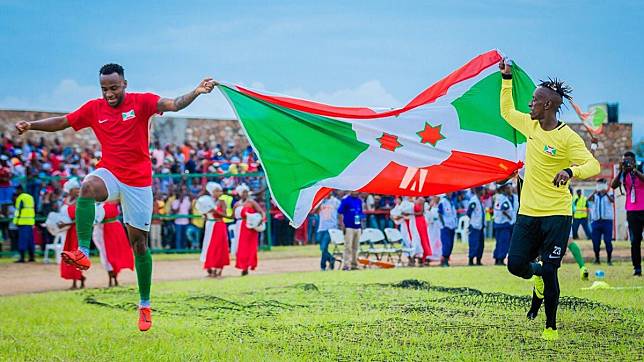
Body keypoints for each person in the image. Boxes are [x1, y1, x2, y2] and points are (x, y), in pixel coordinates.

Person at [15, 63, 216, 331]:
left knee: (140, 245)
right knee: (86, 187)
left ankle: (144, 305)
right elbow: (63, 122)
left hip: (138, 183)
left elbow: (174, 104)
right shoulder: (93, 109)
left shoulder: (141, 102)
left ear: (124, 84)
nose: (109, 93)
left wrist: (196, 91)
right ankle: (84, 252)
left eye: (113, 87)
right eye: (104, 88)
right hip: (110, 173)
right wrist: (31, 125)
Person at [499, 59, 600, 340]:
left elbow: (594, 166)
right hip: (528, 213)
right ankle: (538, 273)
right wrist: (506, 80)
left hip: (556, 214)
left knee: (552, 271)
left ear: (547, 106)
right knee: (516, 265)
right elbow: (506, 111)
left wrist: (570, 170)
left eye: (534, 100)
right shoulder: (530, 127)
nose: (529, 104)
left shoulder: (568, 138)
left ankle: (550, 326)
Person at [611, 151, 644, 276]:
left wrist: (635, 170)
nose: (627, 163)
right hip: (632, 211)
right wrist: (621, 171)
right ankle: (637, 268)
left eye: (629, 161)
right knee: (635, 241)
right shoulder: (624, 174)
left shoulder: (640, 168)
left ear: (634, 161)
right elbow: (613, 186)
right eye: (625, 161)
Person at [93, 201, 134, 287]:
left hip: (113, 230)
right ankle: (112, 278)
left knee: (114, 254)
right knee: (106, 254)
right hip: (104, 230)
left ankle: (114, 278)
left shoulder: (111, 201)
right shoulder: (97, 205)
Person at [58, 179, 85, 289]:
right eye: (75, 189)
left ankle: (77, 279)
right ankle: (77, 278)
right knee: (68, 254)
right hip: (68, 231)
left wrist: (68, 223)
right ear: (69, 191)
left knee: (76, 255)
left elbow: (82, 217)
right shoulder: (66, 201)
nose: (78, 191)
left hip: (77, 231)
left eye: (78, 189)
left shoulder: (81, 201)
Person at [199, 182, 230, 277]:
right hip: (210, 225)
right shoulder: (206, 201)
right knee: (209, 245)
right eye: (216, 191)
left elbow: (223, 213)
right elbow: (203, 212)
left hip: (219, 224)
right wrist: (205, 214)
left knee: (220, 246)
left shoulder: (221, 202)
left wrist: (215, 211)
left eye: (220, 190)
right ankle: (209, 266)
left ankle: (219, 268)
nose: (219, 192)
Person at [234, 184, 265, 276]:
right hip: (240, 227)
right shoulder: (236, 204)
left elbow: (261, 212)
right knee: (241, 247)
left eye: (246, 192)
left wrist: (261, 220)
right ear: (240, 194)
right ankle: (243, 266)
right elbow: (232, 216)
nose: (245, 194)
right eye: (243, 192)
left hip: (250, 227)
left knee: (250, 247)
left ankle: (247, 266)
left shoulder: (251, 202)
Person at [588, 179, 614, 265]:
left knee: (608, 241)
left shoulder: (609, 193)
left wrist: (605, 193)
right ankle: (597, 259)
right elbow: (588, 200)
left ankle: (609, 260)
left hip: (607, 222)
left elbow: (612, 200)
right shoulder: (595, 195)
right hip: (596, 221)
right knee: (595, 241)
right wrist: (594, 192)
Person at [338, 191, 363, 271]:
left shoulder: (359, 200)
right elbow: (340, 212)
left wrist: (361, 226)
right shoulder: (346, 200)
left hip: (357, 226)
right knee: (348, 247)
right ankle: (346, 265)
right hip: (349, 226)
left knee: (356, 247)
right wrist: (342, 225)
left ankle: (354, 264)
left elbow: (360, 213)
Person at [315, 193, 341, 271]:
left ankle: (323, 266)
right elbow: (315, 211)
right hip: (321, 227)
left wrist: (340, 224)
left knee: (323, 247)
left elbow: (340, 213)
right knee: (323, 248)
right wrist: (321, 201)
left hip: (331, 227)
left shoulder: (335, 201)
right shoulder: (321, 201)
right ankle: (331, 259)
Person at [492, 181, 514, 266]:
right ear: (504, 189)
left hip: (498, 223)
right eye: (508, 188)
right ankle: (500, 259)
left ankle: (497, 258)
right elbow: (503, 209)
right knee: (503, 242)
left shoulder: (499, 197)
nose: (510, 189)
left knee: (499, 242)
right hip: (503, 223)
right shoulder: (503, 198)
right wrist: (509, 217)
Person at [13, 185, 35, 263]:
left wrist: (15, 221)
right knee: (30, 240)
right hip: (30, 221)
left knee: (22, 240)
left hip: (22, 222)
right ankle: (31, 257)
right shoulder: (30, 197)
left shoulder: (20, 198)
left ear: (19, 190)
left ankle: (22, 258)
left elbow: (18, 211)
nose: (16, 192)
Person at [467, 187, 485, 266]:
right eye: (482, 190)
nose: (484, 191)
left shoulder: (479, 200)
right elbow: (469, 212)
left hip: (480, 226)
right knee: (474, 243)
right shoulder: (474, 200)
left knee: (481, 244)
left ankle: (478, 260)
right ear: (479, 191)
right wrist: (473, 222)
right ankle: (471, 260)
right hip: (474, 226)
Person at [438, 193, 457, 267]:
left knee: (451, 244)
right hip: (446, 226)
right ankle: (444, 260)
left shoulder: (451, 201)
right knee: (446, 243)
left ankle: (447, 258)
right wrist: (443, 224)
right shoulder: (443, 202)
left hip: (452, 225)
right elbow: (439, 213)